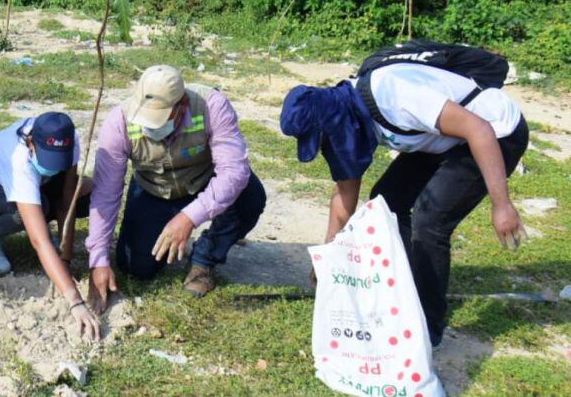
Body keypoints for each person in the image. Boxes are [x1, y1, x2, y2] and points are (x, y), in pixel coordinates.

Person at [279, 44, 529, 347]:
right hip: (441, 139)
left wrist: (501, 205)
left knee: (430, 219)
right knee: (387, 199)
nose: (327, 146)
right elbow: (344, 199)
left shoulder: (394, 96)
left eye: (322, 140)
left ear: (333, 124)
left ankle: (427, 325)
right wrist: (329, 260)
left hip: (495, 132)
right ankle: (407, 291)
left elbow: (479, 130)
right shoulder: (348, 121)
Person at [86, 65, 266, 311]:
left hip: (204, 181)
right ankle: (161, 237)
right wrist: (98, 259)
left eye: (159, 120)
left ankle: (204, 258)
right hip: (154, 189)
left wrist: (188, 218)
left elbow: (234, 172)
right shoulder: (119, 121)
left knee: (250, 199)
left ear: (181, 106)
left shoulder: (211, 106)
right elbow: (106, 194)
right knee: (136, 267)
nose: (151, 127)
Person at [0, 112, 100, 340]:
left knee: (90, 192)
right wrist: (74, 300)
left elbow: (67, 202)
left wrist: (65, 259)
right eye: (48, 159)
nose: (53, 166)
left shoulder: (69, 139)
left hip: (38, 185)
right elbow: (39, 241)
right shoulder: (18, 160)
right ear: (32, 143)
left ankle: (52, 252)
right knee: (31, 212)